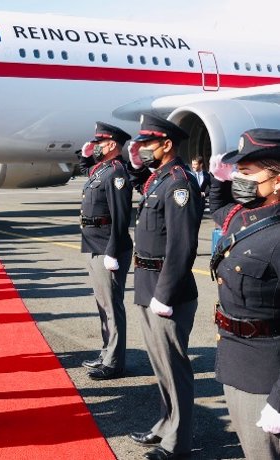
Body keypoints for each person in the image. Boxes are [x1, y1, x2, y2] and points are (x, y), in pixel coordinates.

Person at [126, 114, 203, 460]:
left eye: (148, 143)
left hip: (166, 291)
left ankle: (178, 444)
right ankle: (164, 425)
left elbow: (182, 246)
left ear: (167, 145)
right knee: (160, 367)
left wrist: (164, 294)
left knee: (175, 369)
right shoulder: (159, 180)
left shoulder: (180, 183)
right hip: (147, 283)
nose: (142, 149)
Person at [208, 128, 280, 459]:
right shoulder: (243, 219)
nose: (240, 178)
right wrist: (219, 178)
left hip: (267, 377)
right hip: (235, 362)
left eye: (248, 173)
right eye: (238, 171)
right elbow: (219, 205)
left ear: (277, 180)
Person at [78, 122, 133, 381]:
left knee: (112, 307)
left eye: (100, 144)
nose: (96, 147)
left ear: (111, 145)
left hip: (107, 246)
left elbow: (121, 218)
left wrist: (113, 251)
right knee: (102, 305)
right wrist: (85, 155)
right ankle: (106, 352)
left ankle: (114, 363)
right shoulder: (101, 170)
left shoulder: (117, 173)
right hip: (93, 243)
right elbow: (86, 172)